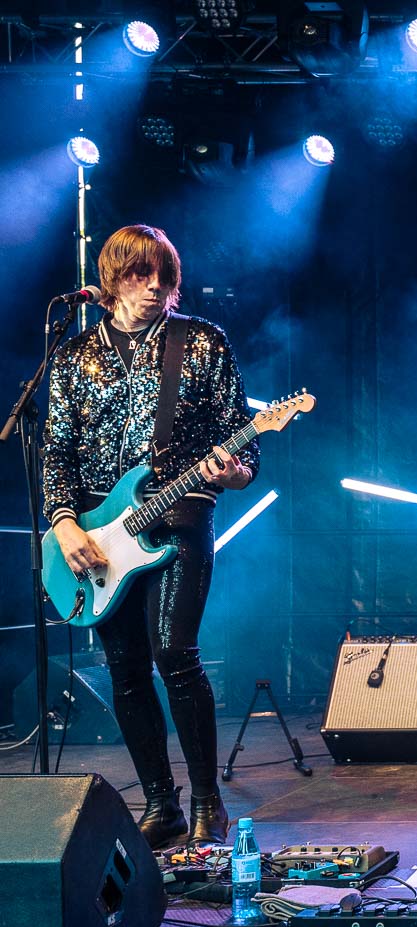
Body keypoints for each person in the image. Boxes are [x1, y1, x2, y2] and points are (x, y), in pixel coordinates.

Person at [42, 224, 258, 847]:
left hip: (180, 518)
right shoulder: (72, 355)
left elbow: (240, 442)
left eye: (165, 276)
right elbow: (57, 452)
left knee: (175, 654)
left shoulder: (202, 342)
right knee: (126, 668)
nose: (155, 286)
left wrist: (235, 470)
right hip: (95, 534)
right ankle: (160, 804)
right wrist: (62, 525)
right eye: (141, 275)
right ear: (112, 279)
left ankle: (207, 803)